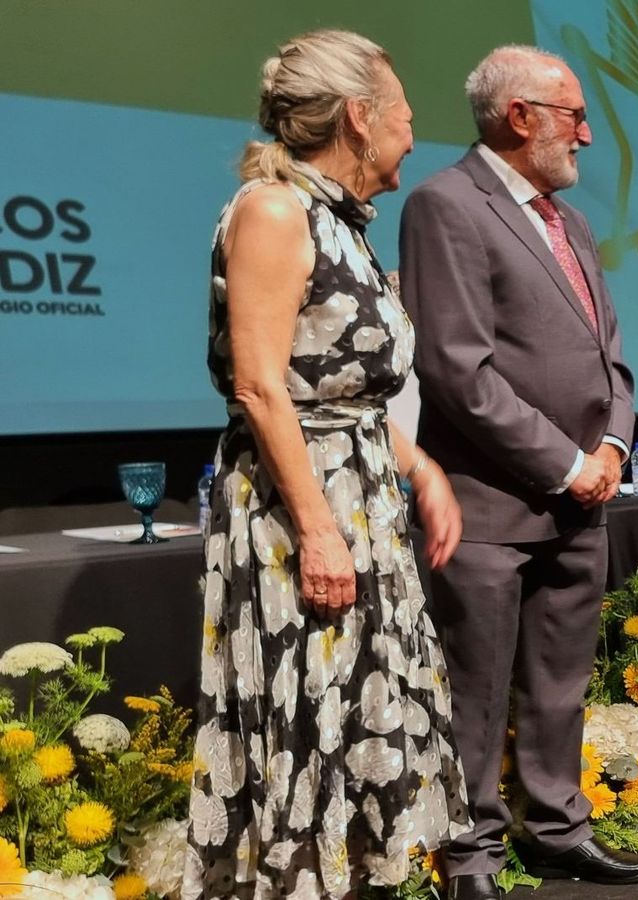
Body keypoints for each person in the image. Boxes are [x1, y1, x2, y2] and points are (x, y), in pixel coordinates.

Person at [187, 29, 469, 898]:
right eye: (407, 118)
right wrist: (317, 531)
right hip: (294, 512)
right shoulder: (275, 210)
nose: (414, 139)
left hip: (360, 499)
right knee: (310, 721)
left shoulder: (339, 222)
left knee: (361, 724)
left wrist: (418, 467)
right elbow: (264, 387)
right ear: (359, 117)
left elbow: (336, 389)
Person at [400, 46, 638, 893]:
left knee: (559, 687)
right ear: (520, 117)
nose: (587, 132)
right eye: (574, 115)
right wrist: (567, 461)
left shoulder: (568, 219)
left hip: (584, 497)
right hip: (488, 505)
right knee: (475, 691)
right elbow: (457, 372)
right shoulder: (445, 205)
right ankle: (470, 853)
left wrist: (611, 447)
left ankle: (556, 829)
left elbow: (610, 356)